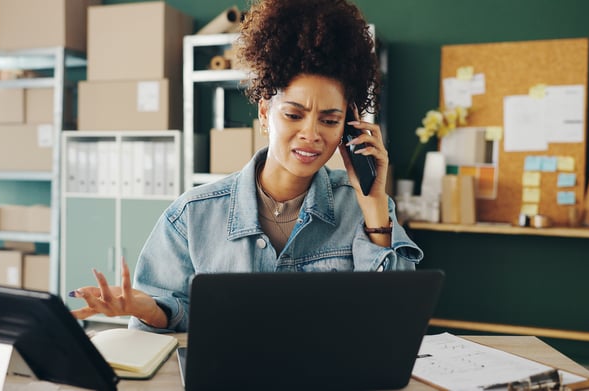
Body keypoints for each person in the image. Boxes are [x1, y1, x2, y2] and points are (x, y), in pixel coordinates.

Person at [69, 0, 423, 332]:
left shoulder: (362, 209)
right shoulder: (192, 216)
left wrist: (375, 203)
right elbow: (175, 326)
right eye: (294, 114)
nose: (311, 134)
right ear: (265, 114)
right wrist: (151, 310)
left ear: (348, 128)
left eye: (330, 121)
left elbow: (395, 323)